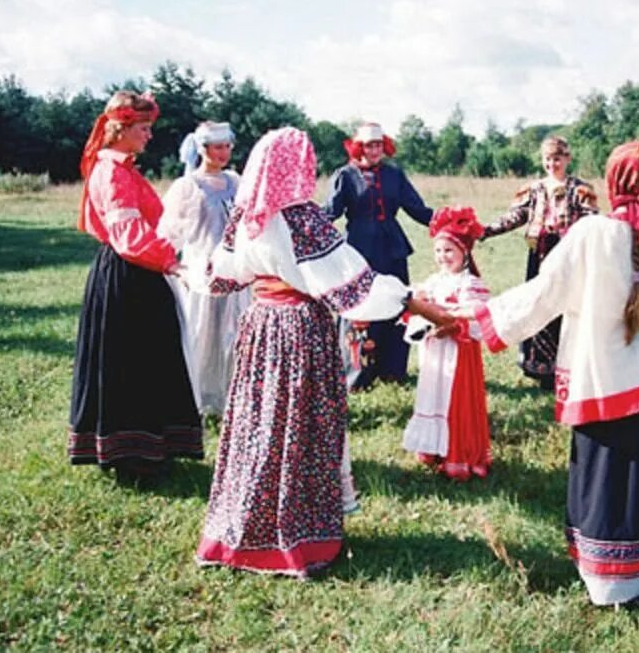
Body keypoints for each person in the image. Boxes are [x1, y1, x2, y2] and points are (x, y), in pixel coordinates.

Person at [458, 141, 639, 608]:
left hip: (605, 375)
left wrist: (482, 322)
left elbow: (543, 295)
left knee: (608, 476)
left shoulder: (590, 233)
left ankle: (612, 577)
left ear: (611, 185)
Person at [196, 127, 450, 578]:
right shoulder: (300, 219)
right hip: (298, 331)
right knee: (298, 424)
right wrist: (418, 303)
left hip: (260, 327)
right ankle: (293, 536)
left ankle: (241, 528)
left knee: (260, 422)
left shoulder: (246, 216)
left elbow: (221, 276)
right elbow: (355, 288)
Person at [69, 90, 202, 485]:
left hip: (137, 271)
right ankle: (132, 454)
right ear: (121, 129)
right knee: (130, 361)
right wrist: (173, 262)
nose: (148, 135)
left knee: (148, 357)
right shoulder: (111, 172)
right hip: (127, 273)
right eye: (143, 129)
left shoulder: (124, 169)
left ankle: (150, 446)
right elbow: (128, 233)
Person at [323, 122, 434, 391]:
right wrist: (300, 225)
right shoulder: (345, 176)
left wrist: (452, 223)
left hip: (392, 246)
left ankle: (393, 370)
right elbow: (330, 212)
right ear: (358, 147)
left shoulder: (395, 175)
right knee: (360, 307)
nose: (375, 150)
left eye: (379, 145)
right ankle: (357, 373)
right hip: (359, 249)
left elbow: (417, 209)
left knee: (396, 300)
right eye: (369, 145)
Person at [481, 136, 597, 390]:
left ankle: (569, 365)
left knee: (567, 306)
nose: (552, 164)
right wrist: (486, 230)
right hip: (539, 254)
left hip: (569, 256)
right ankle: (539, 366)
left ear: (567, 159)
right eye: (547, 159)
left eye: (557, 158)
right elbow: (516, 216)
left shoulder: (580, 189)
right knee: (538, 303)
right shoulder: (533, 189)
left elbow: (592, 222)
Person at [158, 121, 248, 418]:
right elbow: (169, 231)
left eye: (227, 146)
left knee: (233, 332)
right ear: (203, 149)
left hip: (235, 268)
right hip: (203, 267)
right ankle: (196, 397)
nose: (224, 153)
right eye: (217, 147)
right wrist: (174, 264)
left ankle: (232, 396)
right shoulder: (187, 186)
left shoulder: (235, 181)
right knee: (203, 330)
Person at [402, 206, 491, 480]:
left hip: (458, 352)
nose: (443, 257)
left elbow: (476, 316)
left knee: (454, 400)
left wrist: (451, 326)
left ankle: (458, 453)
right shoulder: (433, 281)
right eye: (439, 251)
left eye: (449, 250)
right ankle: (433, 448)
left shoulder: (470, 284)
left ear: (464, 252)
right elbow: (416, 309)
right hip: (434, 353)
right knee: (433, 394)